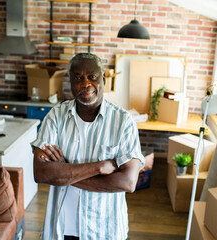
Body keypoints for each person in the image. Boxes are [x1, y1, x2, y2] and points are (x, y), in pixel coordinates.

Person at [31, 53, 145, 240]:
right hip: (61, 227)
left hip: (106, 229)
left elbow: (128, 182)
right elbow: (41, 173)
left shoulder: (123, 122)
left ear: (103, 79)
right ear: (70, 82)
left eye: (92, 77)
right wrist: (99, 167)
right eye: (77, 78)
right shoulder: (55, 117)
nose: (85, 84)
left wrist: (63, 172)